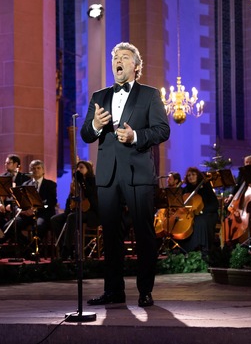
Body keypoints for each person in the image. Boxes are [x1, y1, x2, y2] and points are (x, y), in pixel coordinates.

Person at [81, 41, 170, 308]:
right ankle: (113, 292)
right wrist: (96, 124)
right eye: (115, 57)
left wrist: (135, 136)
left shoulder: (150, 95)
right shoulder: (99, 96)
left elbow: (162, 130)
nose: (118, 60)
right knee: (110, 235)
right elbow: (86, 134)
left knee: (143, 234)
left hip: (137, 173)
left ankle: (145, 290)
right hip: (107, 175)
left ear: (136, 67)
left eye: (124, 57)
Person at [51, 160, 99, 260]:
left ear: (88, 169)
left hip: (91, 212)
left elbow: (91, 196)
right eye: (77, 168)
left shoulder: (93, 180)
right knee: (55, 219)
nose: (78, 169)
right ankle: (64, 246)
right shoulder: (75, 183)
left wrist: (82, 181)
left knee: (72, 217)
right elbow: (70, 199)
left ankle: (66, 250)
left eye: (81, 167)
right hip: (76, 210)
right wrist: (67, 210)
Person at [13, 159, 57, 249]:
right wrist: (21, 210)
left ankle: (32, 249)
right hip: (28, 214)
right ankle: (27, 244)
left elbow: (51, 202)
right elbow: (21, 201)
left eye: (38, 168)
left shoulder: (50, 184)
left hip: (43, 214)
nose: (36, 170)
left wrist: (36, 209)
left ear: (43, 170)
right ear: (30, 170)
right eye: (33, 168)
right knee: (10, 226)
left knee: (39, 226)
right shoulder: (26, 184)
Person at [176, 167, 219, 257]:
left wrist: (202, 211)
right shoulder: (186, 189)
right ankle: (184, 250)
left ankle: (203, 249)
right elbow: (180, 204)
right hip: (190, 214)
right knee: (180, 223)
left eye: (193, 174)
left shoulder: (206, 187)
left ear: (198, 175)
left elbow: (215, 205)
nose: (191, 177)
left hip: (208, 213)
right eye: (188, 175)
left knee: (200, 222)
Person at [0, 154, 30, 238]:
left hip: (18, 207)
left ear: (16, 164)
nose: (5, 165)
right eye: (5, 163)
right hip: (4, 206)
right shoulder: (1, 177)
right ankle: (13, 236)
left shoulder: (25, 178)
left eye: (8, 163)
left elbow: (24, 197)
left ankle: (8, 236)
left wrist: (12, 206)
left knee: (15, 217)